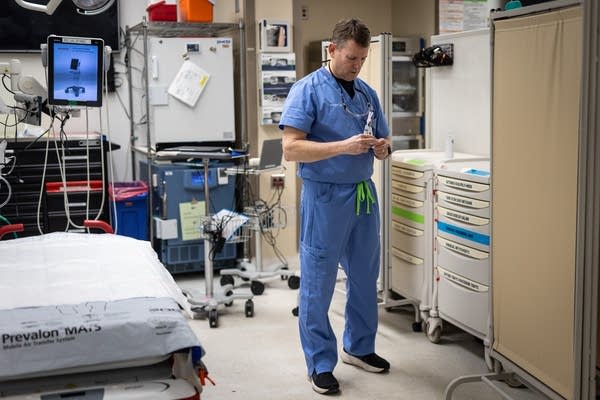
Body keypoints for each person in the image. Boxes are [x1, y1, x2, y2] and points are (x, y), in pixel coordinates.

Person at [279, 18, 391, 395]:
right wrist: (342, 146)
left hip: (362, 194)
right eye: (350, 58)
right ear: (332, 50)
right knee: (318, 282)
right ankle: (320, 363)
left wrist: (382, 147)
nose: (356, 65)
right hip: (324, 196)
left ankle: (359, 348)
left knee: (364, 276)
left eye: (362, 59)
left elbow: (387, 142)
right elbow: (292, 148)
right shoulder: (306, 90)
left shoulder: (366, 93)